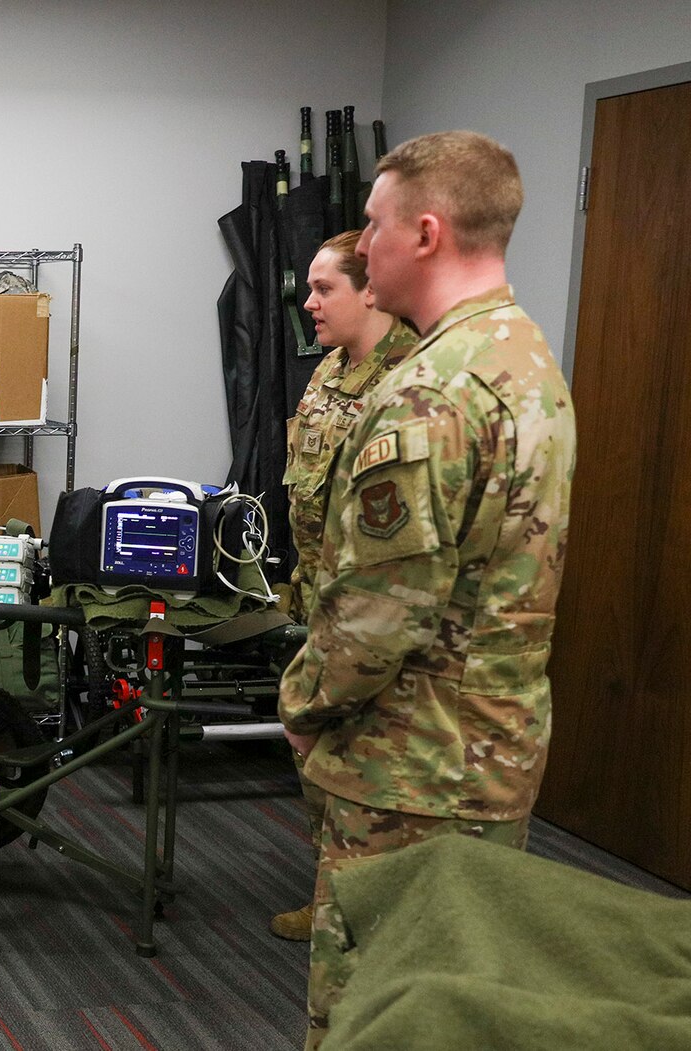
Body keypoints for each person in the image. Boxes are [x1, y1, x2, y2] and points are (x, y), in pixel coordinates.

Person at [277, 132, 576, 1049]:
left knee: (375, 1010)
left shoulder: (431, 394)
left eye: (373, 225)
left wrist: (301, 700)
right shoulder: (525, 360)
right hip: (495, 745)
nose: (361, 247)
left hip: (410, 766)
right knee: (456, 1003)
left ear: (428, 233)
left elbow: (376, 619)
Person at [267, 231, 419, 942]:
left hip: (376, 620)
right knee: (320, 767)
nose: (309, 301)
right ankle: (334, 897)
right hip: (320, 604)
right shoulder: (328, 371)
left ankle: (375, 919)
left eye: (324, 288)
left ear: (370, 290)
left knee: (373, 782)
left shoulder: (409, 383)